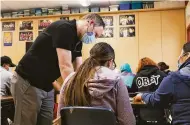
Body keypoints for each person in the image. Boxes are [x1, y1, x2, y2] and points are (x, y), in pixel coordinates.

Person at [10, 13, 105, 125]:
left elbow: (79, 69)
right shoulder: (64, 29)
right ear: (90, 23)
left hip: (46, 85)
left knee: (46, 121)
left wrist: (87, 85)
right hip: (28, 82)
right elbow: (65, 66)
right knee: (25, 122)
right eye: (96, 34)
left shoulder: (78, 41)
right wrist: (75, 94)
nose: (94, 38)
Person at [57, 42, 136, 125]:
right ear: (110, 62)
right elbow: (128, 122)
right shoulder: (117, 80)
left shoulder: (70, 79)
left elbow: (61, 119)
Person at [134, 42, 190, 125]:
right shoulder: (162, 74)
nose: (179, 57)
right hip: (160, 116)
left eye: (181, 54)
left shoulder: (173, 79)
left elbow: (156, 99)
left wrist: (142, 95)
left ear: (187, 55)